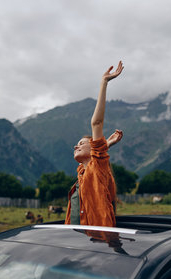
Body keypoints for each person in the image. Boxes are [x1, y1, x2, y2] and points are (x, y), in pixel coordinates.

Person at [65, 61, 124, 227]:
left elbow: (96, 123)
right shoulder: (82, 173)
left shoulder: (97, 167)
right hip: (77, 242)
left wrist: (103, 82)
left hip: (97, 243)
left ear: (94, 149)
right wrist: (107, 145)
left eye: (82, 143)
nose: (76, 146)